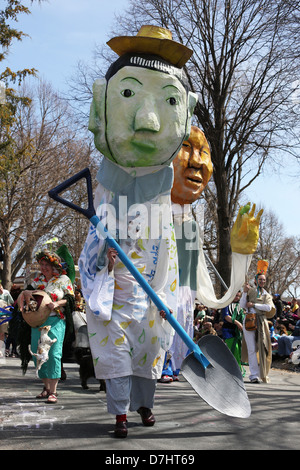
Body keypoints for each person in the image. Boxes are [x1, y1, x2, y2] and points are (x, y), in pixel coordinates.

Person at [16, 250, 75, 403]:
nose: (43, 268)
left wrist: (57, 303)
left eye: (46, 265)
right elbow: (24, 295)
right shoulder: (36, 280)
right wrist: (26, 293)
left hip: (55, 321)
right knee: (38, 354)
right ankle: (46, 387)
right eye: (41, 264)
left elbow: (70, 299)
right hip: (37, 323)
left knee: (54, 354)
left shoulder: (63, 279)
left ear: (54, 265)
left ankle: (54, 391)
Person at [240, 260, 275, 383]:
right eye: (260, 279)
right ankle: (253, 375)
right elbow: (242, 305)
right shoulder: (250, 291)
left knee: (262, 347)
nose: (262, 281)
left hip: (261, 322)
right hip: (249, 321)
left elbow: (269, 308)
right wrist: (244, 292)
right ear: (256, 280)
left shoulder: (267, 295)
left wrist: (254, 304)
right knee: (252, 348)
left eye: (264, 280)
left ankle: (262, 373)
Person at [221, 291, 245, 376]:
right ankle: (235, 370)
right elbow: (227, 317)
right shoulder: (226, 305)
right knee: (234, 349)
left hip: (238, 332)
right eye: (235, 295)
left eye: (238, 296)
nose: (237, 297)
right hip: (228, 330)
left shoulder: (240, 306)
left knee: (238, 351)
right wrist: (237, 323)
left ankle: (236, 369)